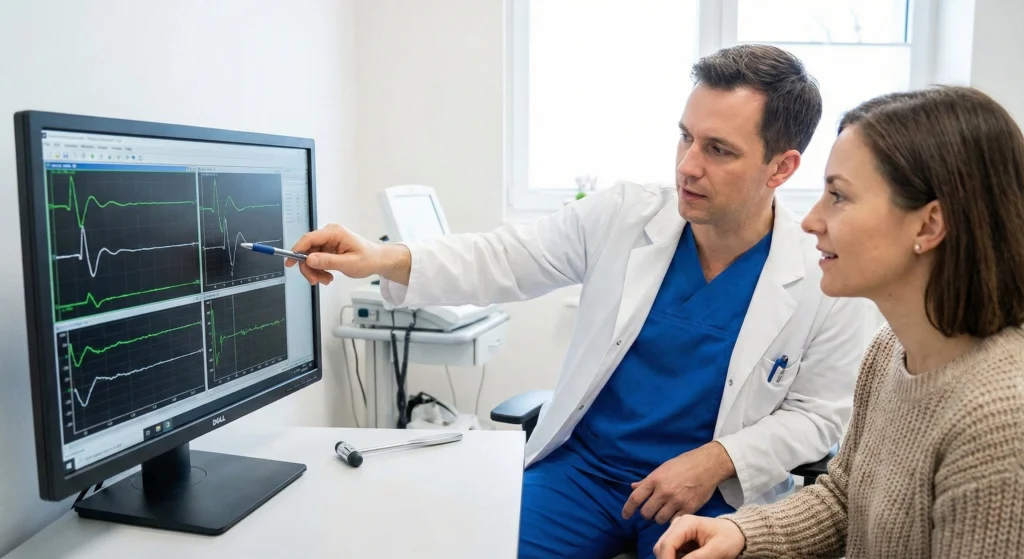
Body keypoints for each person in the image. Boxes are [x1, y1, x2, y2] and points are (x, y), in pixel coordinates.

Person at [290, 45, 867, 558]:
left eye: (719, 149)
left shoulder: (823, 273)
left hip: (707, 493)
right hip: (584, 475)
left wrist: (717, 460)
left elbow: (820, 415)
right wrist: (379, 257)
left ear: (782, 167)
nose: (688, 165)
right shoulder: (624, 214)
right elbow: (505, 257)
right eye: (685, 136)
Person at [653, 85, 1024, 559]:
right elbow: (845, 496)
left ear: (929, 226)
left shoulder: (999, 422)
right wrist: (744, 533)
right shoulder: (890, 350)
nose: (810, 221)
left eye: (839, 196)